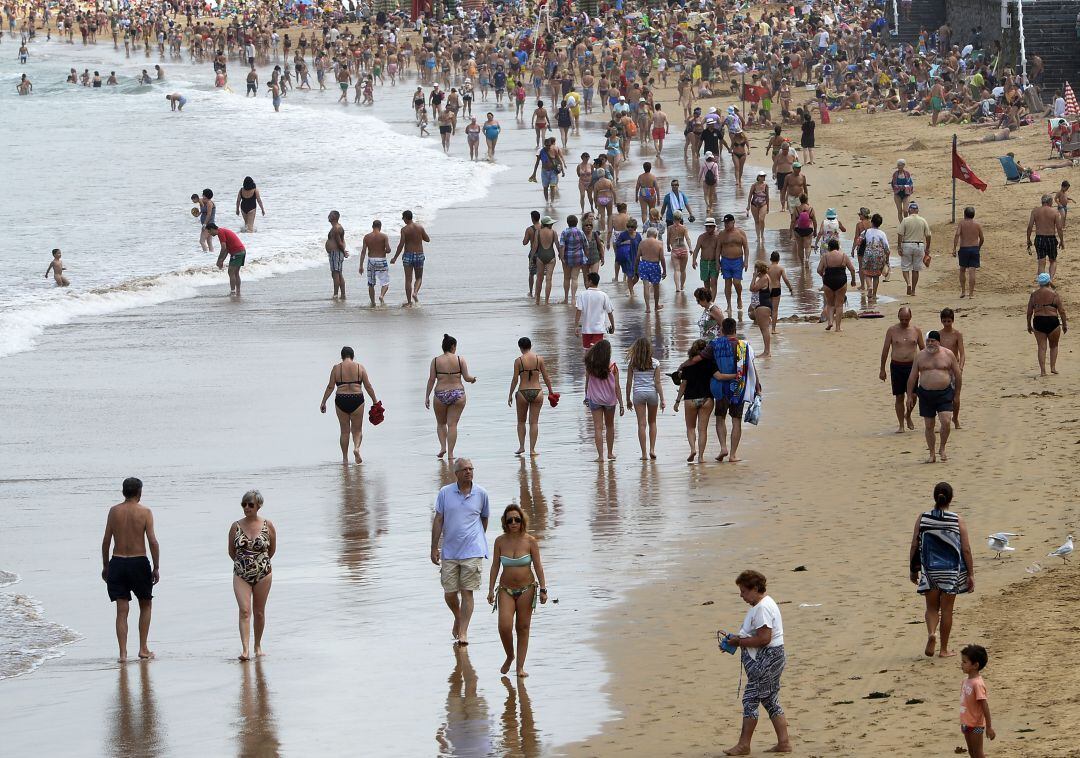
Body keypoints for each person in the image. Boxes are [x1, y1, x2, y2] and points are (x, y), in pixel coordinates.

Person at [721, 570, 790, 756]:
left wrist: (739, 642)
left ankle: (744, 745)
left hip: (768, 658)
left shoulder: (762, 608)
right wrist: (737, 639)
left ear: (755, 589)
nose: (741, 595)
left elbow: (764, 639)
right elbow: (758, 636)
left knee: (750, 699)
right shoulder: (764, 604)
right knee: (770, 699)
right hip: (774, 657)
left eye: (743, 591)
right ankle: (784, 743)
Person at [908, 482, 974, 658]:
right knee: (947, 610)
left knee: (931, 608)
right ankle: (943, 649)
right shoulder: (957, 519)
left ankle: (932, 633)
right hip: (951, 571)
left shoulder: (923, 518)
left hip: (930, 570)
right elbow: (966, 549)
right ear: (951, 498)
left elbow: (915, 544)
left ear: (935, 497)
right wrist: (971, 574)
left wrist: (913, 570)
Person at [431, 458, 489, 647]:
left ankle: (463, 631)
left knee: (467, 592)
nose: (468, 472)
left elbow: (484, 519)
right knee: (449, 592)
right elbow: (438, 519)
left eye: (471, 469)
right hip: (450, 551)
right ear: (456, 473)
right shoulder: (445, 493)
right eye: (464, 469)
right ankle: (458, 616)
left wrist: (477, 538)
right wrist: (434, 547)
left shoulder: (481, 493)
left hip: (473, 550)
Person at [101, 477, 160, 662]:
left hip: (117, 562)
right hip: (138, 562)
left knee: (121, 610)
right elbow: (152, 541)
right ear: (139, 492)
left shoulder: (113, 511)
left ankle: (123, 654)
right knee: (145, 604)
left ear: (123, 492)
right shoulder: (145, 512)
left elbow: (106, 541)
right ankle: (143, 648)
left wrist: (105, 565)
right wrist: (156, 566)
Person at [487, 505, 547, 677]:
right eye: (510, 520)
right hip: (506, 589)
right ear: (505, 523)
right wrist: (491, 589)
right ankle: (509, 655)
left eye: (517, 519)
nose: (513, 523)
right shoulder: (500, 541)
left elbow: (538, 566)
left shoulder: (530, 541)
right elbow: (495, 566)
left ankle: (520, 667)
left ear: (522, 521)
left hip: (527, 588)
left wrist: (543, 589)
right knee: (504, 626)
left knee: (523, 627)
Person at [228, 490, 276, 661]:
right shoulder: (236, 526)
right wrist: (244, 563)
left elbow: (272, 550)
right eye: (244, 504)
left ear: (258, 506)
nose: (246, 508)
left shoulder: (267, 525)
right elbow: (231, 552)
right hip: (241, 574)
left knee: (259, 612)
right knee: (244, 611)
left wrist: (260, 562)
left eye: (250, 505)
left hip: (263, 573)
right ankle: (245, 649)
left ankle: (258, 646)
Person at [907, 331, 963, 463]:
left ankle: (942, 448)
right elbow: (913, 376)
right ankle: (932, 453)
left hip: (944, 392)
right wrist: (909, 395)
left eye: (933, 341)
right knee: (929, 425)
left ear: (939, 342)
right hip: (926, 394)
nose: (930, 344)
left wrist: (957, 394)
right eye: (928, 341)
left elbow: (957, 374)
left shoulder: (948, 354)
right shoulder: (920, 356)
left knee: (946, 421)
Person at [711, 318, 760, 463]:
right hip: (739, 388)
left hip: (721, 387)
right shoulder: (745, 346)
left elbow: (703, 360)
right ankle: (732, 455)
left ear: (722, 330)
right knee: (736, 420)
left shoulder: (714, 345)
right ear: (735, 330)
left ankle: (723, 447)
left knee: (720, 418)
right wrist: (757, 386)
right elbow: (751, 367)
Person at [319, 346, 378, 463]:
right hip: (357, 399)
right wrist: (375, 401)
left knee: (344, 431)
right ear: (353, 356)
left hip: (341, 399)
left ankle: (345, 459)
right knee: (357, 430)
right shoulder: (359, 367)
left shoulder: (336, 368)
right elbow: (368, 386)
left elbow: (330, 386)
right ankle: (356, 448)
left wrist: (323, 401)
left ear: (341, 356)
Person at [425, 334, 476, 461]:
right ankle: (451, 454)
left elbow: (431, 380)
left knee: (441, 423)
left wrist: (427, 396)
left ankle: (443, 447)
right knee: (452, 425)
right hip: (457, 393)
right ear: (453, 346)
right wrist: (473, 379)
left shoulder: (436, 361)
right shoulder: (460, 359)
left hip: (440, 394)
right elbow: (466, 377)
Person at [508, 337, 555, 456]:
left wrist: (510, 394)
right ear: (531, 345)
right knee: (534, 423)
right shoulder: (539, 359)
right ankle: (532, 450)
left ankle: (521, 447)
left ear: (520, 347)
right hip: (537, 392)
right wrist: (551, 392)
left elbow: (515, 379)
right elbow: (546, 377)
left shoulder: (518, 361)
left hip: (523, 392)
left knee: (521, 422)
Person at [880, 307, 924, 433]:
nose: (904, 321)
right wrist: (882, 369)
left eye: (906, 319)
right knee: (899, 396)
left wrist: (927, 366)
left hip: (912, 366)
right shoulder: (892, 330)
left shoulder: (916, 330)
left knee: (914, 395)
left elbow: (923, 349)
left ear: (910, 317)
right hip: (896, 366)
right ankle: (901, 425)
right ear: (898, 317)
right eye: (902, 319)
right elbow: (885, 350)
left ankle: (908, 415)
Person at [673, 339, 716, 462]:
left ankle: (692, 449)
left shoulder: (688, 365)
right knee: (702, 429)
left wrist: (677, 401)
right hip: (706, 398)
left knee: (690, 428)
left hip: (690, 399)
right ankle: (701, 457)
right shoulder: (710, 363)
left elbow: (683, 385)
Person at [583, 339, 624, 461]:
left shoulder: (590, 366)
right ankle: (610, 453)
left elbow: (587, 383)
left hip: (595, 399)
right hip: (610, 400)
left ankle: (600, 456)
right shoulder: (613, 367)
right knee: (610, 426)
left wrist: (586, 396)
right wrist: (621, 404)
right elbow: (617, 387)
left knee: (598, 428)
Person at [625, 338, 665, 460]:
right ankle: (652, 449)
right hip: (652, 393)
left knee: (641, 424)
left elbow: (629, 383)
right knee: (652, 422)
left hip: (638, 394)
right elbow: (657, 383)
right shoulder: (655, 363)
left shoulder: (632, 363)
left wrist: (627, 399)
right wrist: (662, 399)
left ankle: (643, 454)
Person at [959, 645, 996, 758]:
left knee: (978, 753)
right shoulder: (966, 681)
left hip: (976, 724)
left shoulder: (977, 684)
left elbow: (984, 706)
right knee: (971, 752)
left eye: (965, 662)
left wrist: (989, 727)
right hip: (966, 722)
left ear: (975, 665)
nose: (962, 664)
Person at [1027, 272, 1068, 376]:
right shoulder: (1054, 294)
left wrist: (1028, 325)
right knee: (1054, 346)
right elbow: (1062, 311)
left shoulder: (1034, 295)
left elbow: (1029, 312)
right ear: (1049, 281)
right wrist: (1064, 324)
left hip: (1039, 320)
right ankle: (1053, 368)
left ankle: (1043, 371)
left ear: (1039, 282)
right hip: (1052, 320)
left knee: (1041, 347)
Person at [816, 240, 857, 333]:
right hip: (841, 281)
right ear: (838, 247)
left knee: (830, 304)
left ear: (829, 247)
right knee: (839, 305)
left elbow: (819, 270)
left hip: (828, 281)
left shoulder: (825, 256)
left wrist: (823, 275)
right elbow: (852, 269)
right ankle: (838, 327)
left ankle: (830, 322)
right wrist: (853, 280)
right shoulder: (843, 256)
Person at [391, 209, 430, 306]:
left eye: (403, 218)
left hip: (408, 255)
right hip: (419, 254)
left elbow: (401, 245)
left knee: (408, 280)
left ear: (405, 218)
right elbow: (427, 239)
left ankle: (409, 302)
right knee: (419, 277)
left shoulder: (404, 230)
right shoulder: (419, 227)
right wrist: (418, 236)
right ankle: (415, 293)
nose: (403, 220)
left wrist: (395, 257)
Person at [937, 309, 967, 427]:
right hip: (942, 368)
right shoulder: (938, 334)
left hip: (954, 368)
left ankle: (955, 418)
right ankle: (943, 421)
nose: (947, 323)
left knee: (956, 396)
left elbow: (962, 353)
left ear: (952, 320)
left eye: (949, 321)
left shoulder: (957, 334)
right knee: (941, 396)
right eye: (944, 321)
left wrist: (960, 368)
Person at [1026, 194, 1065, 281]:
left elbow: (1029, 227)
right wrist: (1062, 241)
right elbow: (1059, 228)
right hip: (1050, 238)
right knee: (1053, 260)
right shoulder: (1054, 212)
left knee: (1041, 263)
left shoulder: (1035, 211)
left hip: (1039, 238)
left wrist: (1028, 239)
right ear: (1049, 202)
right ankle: (1050, 280)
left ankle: (1043, 282)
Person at [717, 214, 750, 315]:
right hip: (725, 261)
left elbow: (746, 247)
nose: (726, 225)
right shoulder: (722, 234)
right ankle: (729, 305)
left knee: (736, 282)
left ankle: (739, 297)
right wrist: (717, 262)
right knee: (727, 283)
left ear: (733, 222)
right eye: (725, 223)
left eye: (728, 223)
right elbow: (718, 248)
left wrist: (746, 261)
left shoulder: (740, 233)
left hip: (737, 261)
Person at [898, 201, 932, 296]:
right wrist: (927, 248)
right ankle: (913, 291)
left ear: (909, 210)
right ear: (917, 211)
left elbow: (900, 234)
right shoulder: (923, 220)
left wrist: (899, 247)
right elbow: (928, 235)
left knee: (905, 267)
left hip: (907, 244)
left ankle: (908, 283)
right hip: (919, 245)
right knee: (915, 269)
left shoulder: (905, 220)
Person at [575, 272, 615, 348]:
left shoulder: (582, 295)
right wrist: (613, 325)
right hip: (599, 330)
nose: (585, 282)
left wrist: (576, 326)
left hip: (586, 329)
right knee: (596, 351)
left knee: (587, 350)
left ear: (590, 282)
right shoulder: (603, 295)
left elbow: (578, 311)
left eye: (586, 281)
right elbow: (610, 312)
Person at [952, 207, 983, 298]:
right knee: (972, 271)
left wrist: (954, 248)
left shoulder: (962, 223)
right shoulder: (977, 224)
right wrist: (978, 247)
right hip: (974, 248)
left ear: (964, 214)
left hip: (964, 248)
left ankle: (963, 291)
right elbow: (982, 238)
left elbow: (957, 234)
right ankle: (971, 293)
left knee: (962, 270)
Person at [359, 219, 391, 306]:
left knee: (371, 284)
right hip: (381, 260)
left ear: (372, 226)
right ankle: (381, 296)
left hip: (371, 261)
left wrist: (361, 265)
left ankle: (373, 303)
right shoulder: (384, 236)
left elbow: (363, 252)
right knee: (385, 282)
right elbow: (388, 250)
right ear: (380, 227)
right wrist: (384, 250)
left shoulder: (366, 237)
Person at [208, 223, 246, 295]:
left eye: (209, 231)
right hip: (241, 251)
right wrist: (221, 260)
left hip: (237, 252)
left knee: (231, 272)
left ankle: (232, 292)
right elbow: (226, 249)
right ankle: (238, 291)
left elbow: (223, 248)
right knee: (236, 273)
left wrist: (219, 260)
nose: (209, 233)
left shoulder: (220, 232)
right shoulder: (222, 231)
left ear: (212, 229)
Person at [861, 213, 890, 301]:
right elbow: (886, 248)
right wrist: (887, 260)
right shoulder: (882, 234)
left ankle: (869, 286)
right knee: (876, 275)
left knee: (867, 273)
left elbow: (859, 241)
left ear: (872, 222)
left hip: (868, 253)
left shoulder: (866, 231)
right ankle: (874, 294)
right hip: (878, 255)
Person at [636, 228, 667, 312]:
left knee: (646, 286)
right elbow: (662, 259)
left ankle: (648, 307)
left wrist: (636, 269)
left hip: (644, 265)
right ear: (656, 235)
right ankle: (656, 305)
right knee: (656, 287)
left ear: (647, 234)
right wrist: (664, 271)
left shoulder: (642, 243)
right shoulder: (659, 243)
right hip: (654, 265)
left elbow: (638, 257)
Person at [532, 215, 561, 304]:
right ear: (548, 224)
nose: (552, 224)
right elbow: (557, 244)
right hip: (551, 256)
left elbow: (535, 246)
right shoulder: (553, 232)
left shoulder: (538, 232)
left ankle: (537, 300)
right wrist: (561, 254)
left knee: (539, 278)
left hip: (540, 256)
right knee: (549, 279)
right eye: (551, 223)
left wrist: (532, 257)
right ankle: (547, 301)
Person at [747, 262, 774, 356]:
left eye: (755, 269)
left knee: (764, 329)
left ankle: (767, 351)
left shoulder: (763, 278)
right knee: (764, 329)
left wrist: (754, 277)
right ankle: (766, 351)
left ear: (758, 270)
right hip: (764, 304)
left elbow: (752, 288)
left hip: (763, 305)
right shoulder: (767, 277)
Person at [766, 252, 793, 334]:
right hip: (777, 289)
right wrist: (790, 288)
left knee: (768, 309)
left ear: (771, 259)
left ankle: (766, 327)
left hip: (768, 289)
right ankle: (773, 329)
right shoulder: (780, 268)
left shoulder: (767, 268)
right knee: (775, 310)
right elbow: (785, 279)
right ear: (778, 259)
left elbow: (763, 278)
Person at [325, 210, 348, 300]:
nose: (328, 216)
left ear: (334, 217)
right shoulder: (335, 227)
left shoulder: (336, 228)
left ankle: (336, 295)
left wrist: (343, 251)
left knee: (336, 274)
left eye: (330, 215)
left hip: (336, 253)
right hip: (335, 253)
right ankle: (342, 295)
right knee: (338, 273)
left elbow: (339, 242)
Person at [746, 172, 770, 239]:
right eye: (762, 176)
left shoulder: (766, 185)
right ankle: (758, 236)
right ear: (758, 177)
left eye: (764, 176)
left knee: (761, 219)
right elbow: (750, 195)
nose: (763, 177)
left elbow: (767, 197)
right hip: (754, 204)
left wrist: (768, 207)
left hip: (763, 204)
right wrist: (748, 205)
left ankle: (762, 234)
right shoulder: (754, 185)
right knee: (756, 221)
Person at [891, 158, 914, 224]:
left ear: (903, 165)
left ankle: (906, 223)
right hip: (898, 194)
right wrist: (900, 187)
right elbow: (893, 184)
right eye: (898, 165)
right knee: (900, 211)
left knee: (905, 210)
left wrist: (904, 187)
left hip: (906, 193)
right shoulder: (895, 174)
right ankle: (902, 225)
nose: (899, 167)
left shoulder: (907, 174)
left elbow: (910, 183)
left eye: (900, 165)